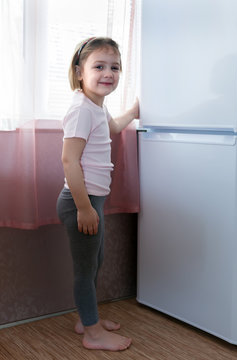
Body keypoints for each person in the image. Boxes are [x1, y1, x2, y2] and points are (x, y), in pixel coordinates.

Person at [56, 37, 139, 351]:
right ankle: (92, 332)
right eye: (99, 66)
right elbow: (68, 159)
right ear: (79, 71)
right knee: (85, 269)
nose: (109, 73)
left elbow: (114, 127)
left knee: (96, 260)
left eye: (115, 67)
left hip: (92, 201)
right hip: (81, 201)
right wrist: (83, 208)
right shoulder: (80, 109)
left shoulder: (96, 106)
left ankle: (86, 318)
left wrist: (134, 110)